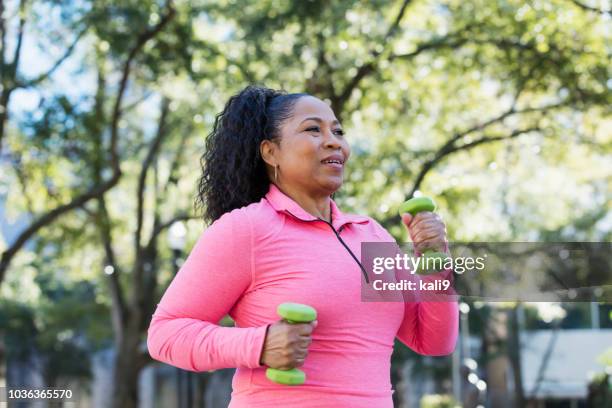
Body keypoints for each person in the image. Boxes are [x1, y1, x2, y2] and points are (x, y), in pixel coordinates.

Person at [147, 85, 458, 407]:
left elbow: (432, 341)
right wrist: (260, 344)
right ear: (271, 152)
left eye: (338, 131)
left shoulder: (371, 236)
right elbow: (165, 334)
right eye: (313, 129)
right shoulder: (247, 228)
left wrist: (435, 260)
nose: (333, 140)